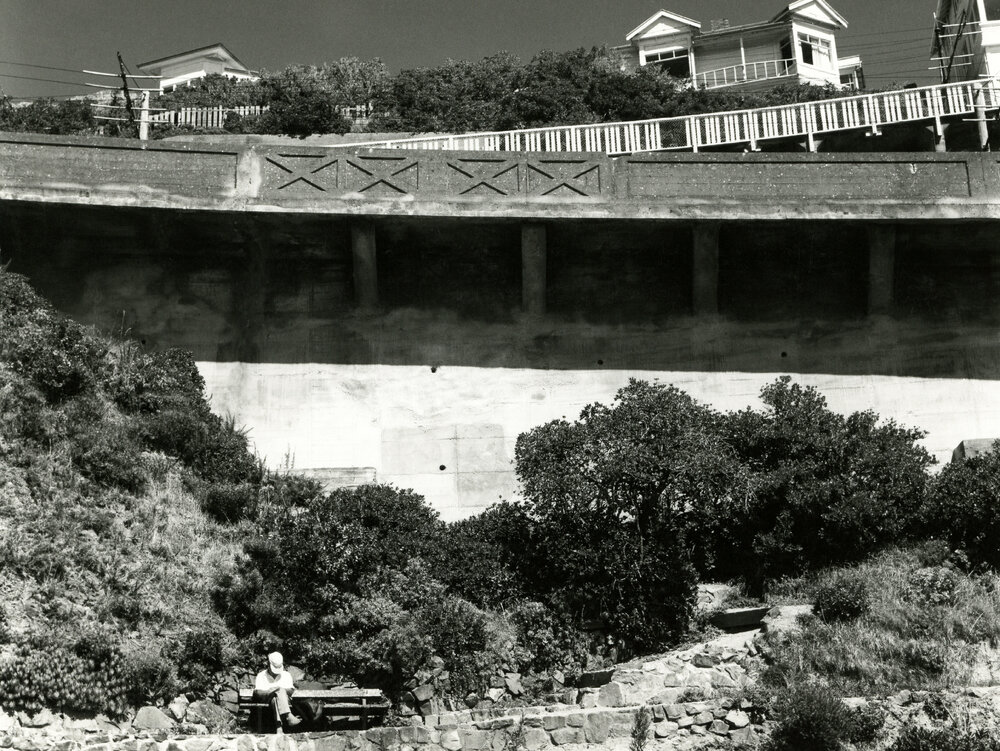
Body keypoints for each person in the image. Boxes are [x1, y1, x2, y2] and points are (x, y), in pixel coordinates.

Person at [254, 652, 301, 732]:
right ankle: (288, 716)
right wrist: (271, 691)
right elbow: (258, 693)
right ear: (268, 664)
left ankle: (279, 727)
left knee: (277, 695)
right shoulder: (261, 676)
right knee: (276, 693)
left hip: (284, 701)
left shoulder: (286, 675)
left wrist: (279, 690)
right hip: (267, 700)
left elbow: (291, 691)